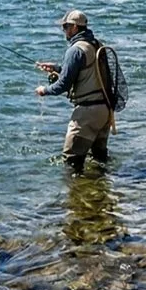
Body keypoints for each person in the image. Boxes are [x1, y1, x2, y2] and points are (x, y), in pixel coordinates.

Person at [35, 10, 112, 173]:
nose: (64, 30)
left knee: (71, 162)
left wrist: (44, 90)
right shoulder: (96, 44)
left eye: (66, 27)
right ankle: (101, 192)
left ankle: (76, 196)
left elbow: (62, 85)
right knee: (99, 160)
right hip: (105, 111)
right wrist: (57, 68)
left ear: (75, 27)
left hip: (87, 113)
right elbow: (87, 72)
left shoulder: (75, 50)